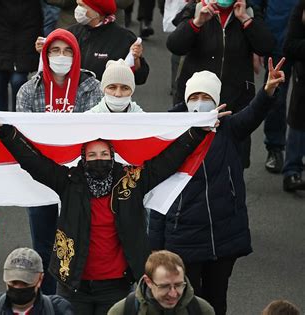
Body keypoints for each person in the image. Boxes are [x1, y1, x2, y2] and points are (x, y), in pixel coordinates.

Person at [0, 113, 224, 314]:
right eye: (92, 155)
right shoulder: (69, 182)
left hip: (116, 286)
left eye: (104, 154)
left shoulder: (132, 181)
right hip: (73, 284)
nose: (98, 159)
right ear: (83, 158)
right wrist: (6, 131)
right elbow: (34, 162)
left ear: (113, 156)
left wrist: (196, 132)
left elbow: (167, 161)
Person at [149, 60, 286, 315]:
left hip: (223, 239)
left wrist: (267, 90)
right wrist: (155, 247)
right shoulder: (169, 135)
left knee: (216, 303)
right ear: (186, 99)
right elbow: (158, 195)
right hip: (183, 239)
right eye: (195, 96)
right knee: (185, 304)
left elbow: (253, 113)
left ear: (216, 100)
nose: (200, 101)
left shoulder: (229, 129)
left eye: (206, 96)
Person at [17, 28, 102, 295]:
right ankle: (48, 302)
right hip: (40, 181)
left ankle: (72, 302)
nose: (61, 56)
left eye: (67, 51)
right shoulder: (29, 90)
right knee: (44, 246)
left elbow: (93, 132)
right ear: (46, 54)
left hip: (77, 180)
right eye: (55, 50)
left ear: (76, 55)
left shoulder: (90, 86)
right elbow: (22, 138)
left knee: (75, 243)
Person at [167, 0, 275, 168]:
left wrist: (245, 19)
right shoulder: (196, 9)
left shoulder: (249, 11)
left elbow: (266, 46)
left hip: (234, 100)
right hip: (198, 99)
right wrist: (197, 22)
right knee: (190, 159)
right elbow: (175, 45)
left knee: (231, 160)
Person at [250, 0, 298, 174]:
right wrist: (259, 40)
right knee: (275, 97)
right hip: (278, 40)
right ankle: (275, 148)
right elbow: (256, 6)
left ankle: (297, 156)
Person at [66, 0, 149, 84]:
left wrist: (136, 59)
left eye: (82, 6)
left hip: (108, 95)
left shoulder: (124, 38)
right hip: (73, 94)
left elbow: (139, 78)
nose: (77, 9)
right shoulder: (71, 33)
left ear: (96, 12)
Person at [0, 0, 43, 112]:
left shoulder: (32, 5)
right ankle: (1, 123)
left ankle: (18, 120)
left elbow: (34, 27)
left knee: (18, 80)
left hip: (23, 47)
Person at [108, 250, 214, 314]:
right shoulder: (122, 311)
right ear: (148, 281)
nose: (173, 294)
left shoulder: (202, 310)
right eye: (165, 286)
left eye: (178, 285)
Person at [0, 247, 74, 314]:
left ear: (40, 279)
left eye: (25, 283)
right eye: (14, 282)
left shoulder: (59, 309)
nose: (18, 287)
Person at [282, 0, 305, 192]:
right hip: (304, 78)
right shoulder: (301, 9)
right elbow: (289, 45)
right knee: (299, 123)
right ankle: (292, 171)